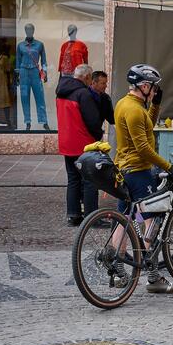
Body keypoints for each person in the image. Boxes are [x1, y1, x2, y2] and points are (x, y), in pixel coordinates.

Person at [113, 63, 173, 293]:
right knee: (153, 221)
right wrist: (168, 166)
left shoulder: (126, 104)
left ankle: (117, 271)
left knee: (123, 220)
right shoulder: (133, 109)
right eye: (152, 88)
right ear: (143, 85)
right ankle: (153, 277)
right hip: (139, 172)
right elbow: (143, 147)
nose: (154, 91)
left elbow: (147, 126)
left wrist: (156, 104)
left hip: (124, 170)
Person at [55, 64, 102, 227]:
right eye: (90, 79)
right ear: (87, 77)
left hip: (67, 143)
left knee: (73, 179)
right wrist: (99, 136)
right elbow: (93, 121)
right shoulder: (83, 94)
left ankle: (73, 215)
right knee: (90, 180)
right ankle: (91, 217)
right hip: (83, 143)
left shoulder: (61, 92)